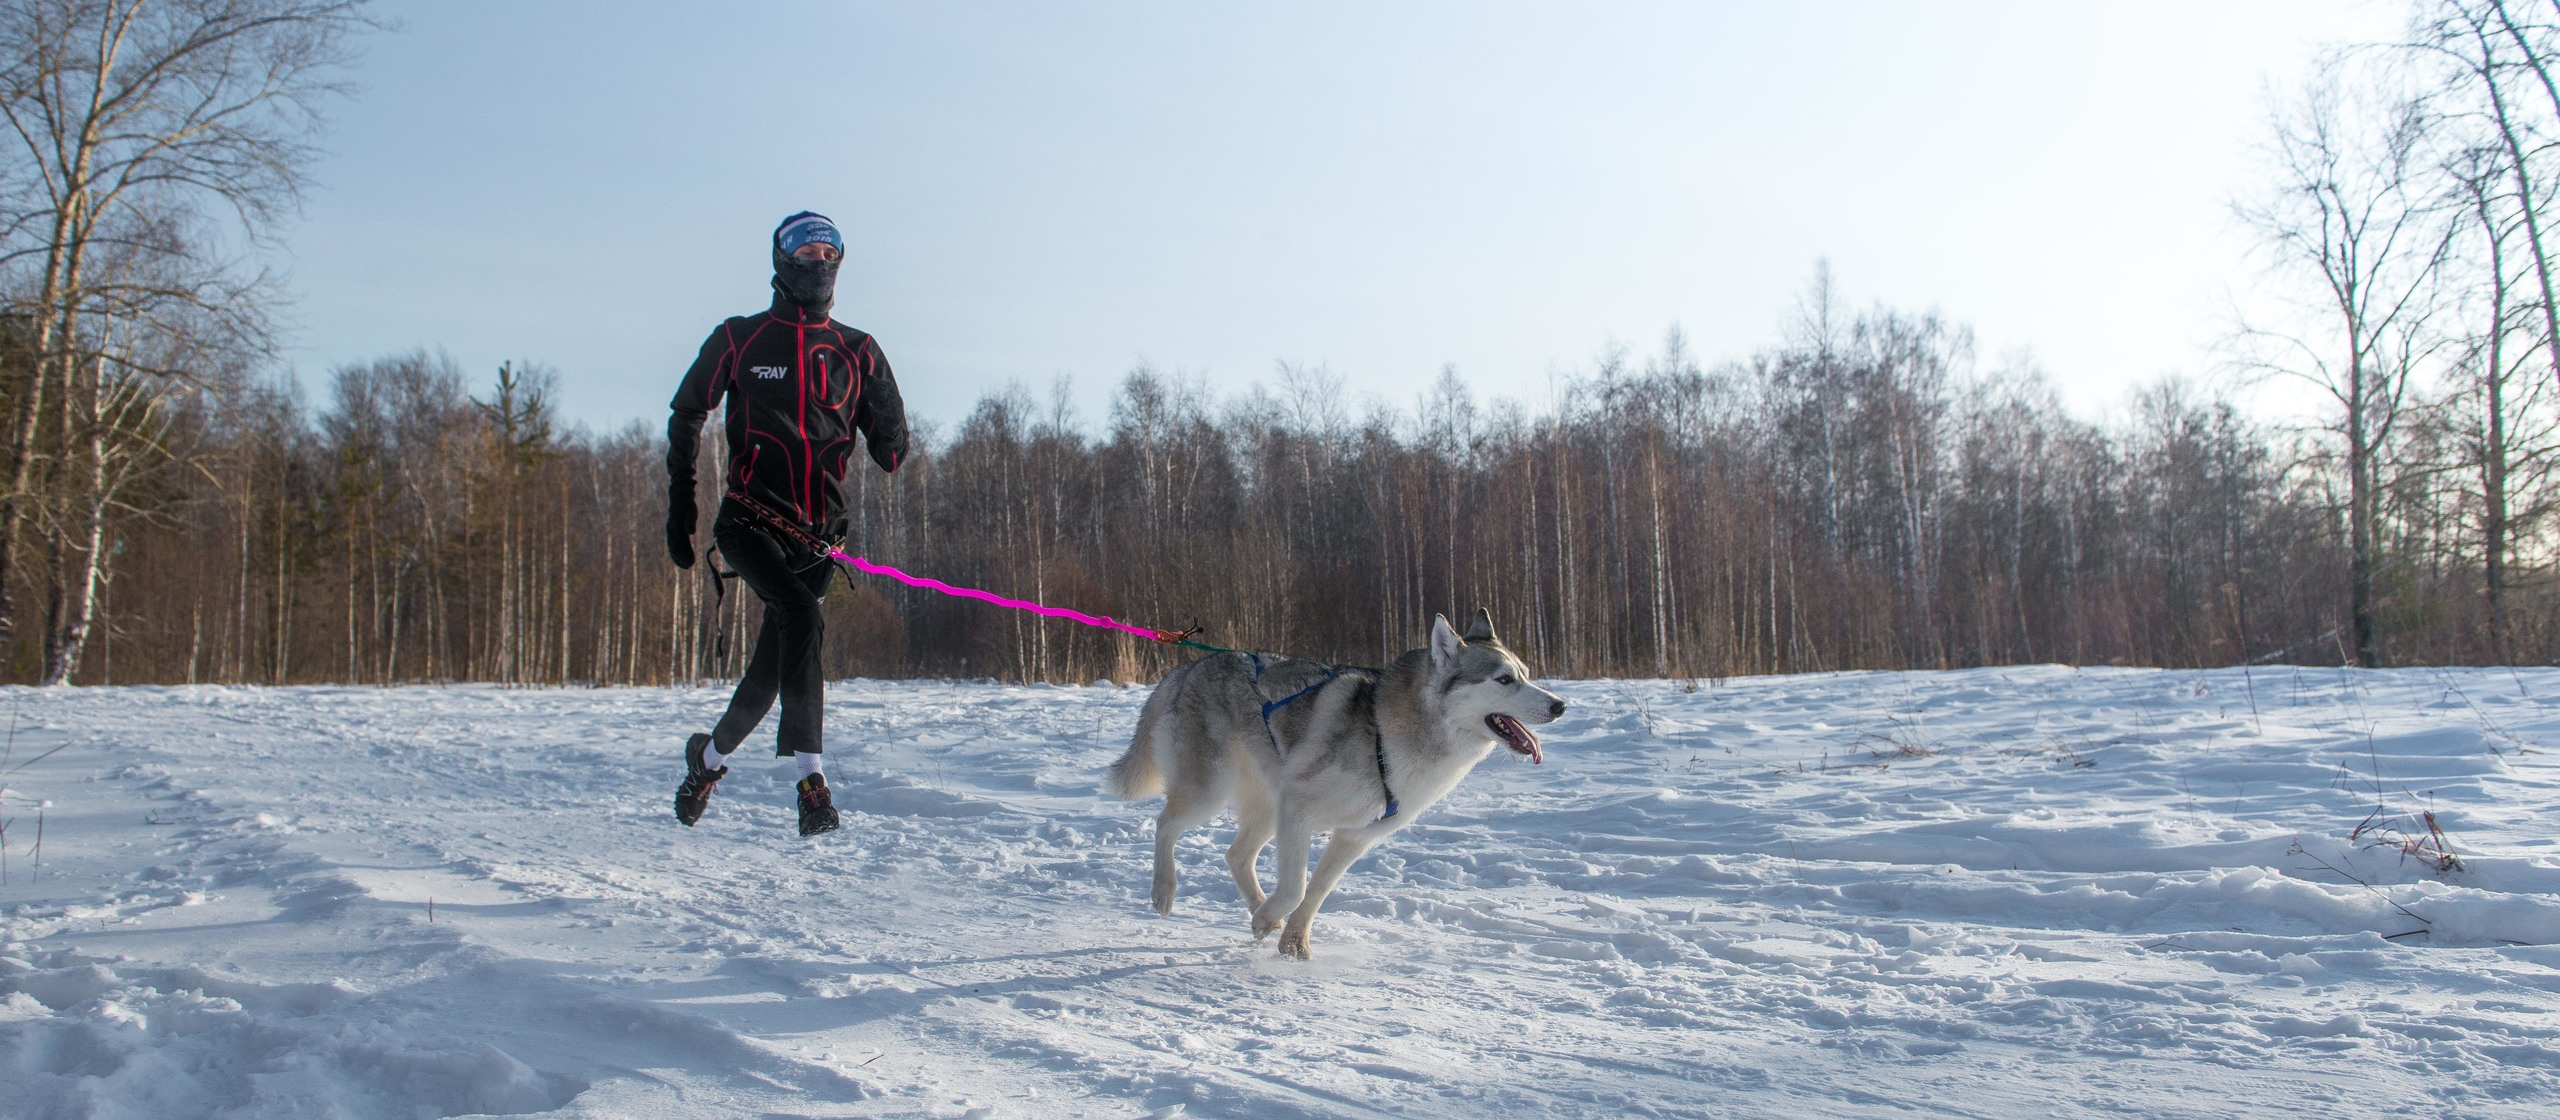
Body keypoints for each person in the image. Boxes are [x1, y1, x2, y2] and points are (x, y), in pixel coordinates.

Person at [666, 211, 907, 836]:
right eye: (805, 250)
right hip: (749, 522)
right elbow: (688, 410)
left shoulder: (856, 350)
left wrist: (889, 409)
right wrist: (681, 503)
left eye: (828, 251)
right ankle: (811, 784)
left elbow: (891, 455)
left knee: (771, 672)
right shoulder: (740, 338)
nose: (817, 260)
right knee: (801, 616)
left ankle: (706, 762)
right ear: (781, 260)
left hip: (820, 541)